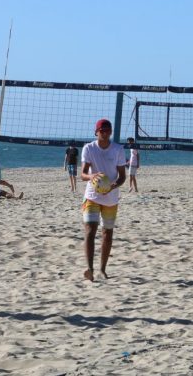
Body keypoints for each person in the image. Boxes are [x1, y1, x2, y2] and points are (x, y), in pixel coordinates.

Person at [80, 118, 126, 281]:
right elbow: (83, 174)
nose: (105, 133)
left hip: (111, 197)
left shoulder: (118, 149)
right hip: (92, 196)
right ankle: (89, 268)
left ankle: (102, 269)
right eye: (102, 130)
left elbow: (122, 177)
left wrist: (113, 186)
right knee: (90, 230)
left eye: (108, 130)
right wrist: (91, 176)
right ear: (96, 132)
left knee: (107, 233)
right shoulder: (89, 148)